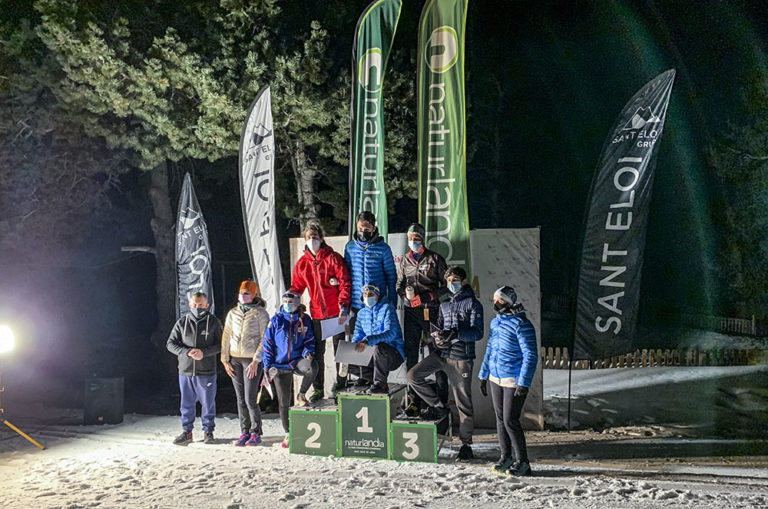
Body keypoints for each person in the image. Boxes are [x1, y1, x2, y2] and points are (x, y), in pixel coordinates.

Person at [406, 266, 483, 461]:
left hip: (461, 358)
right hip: (441, 354)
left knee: (463, 402)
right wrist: (437, 338)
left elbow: (478, 333)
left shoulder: (473, 304)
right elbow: (439, 326)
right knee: (413, 375)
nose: (451, 283)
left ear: (463, 282)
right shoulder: (444, 304)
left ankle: (466, 445)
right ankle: (439, 406)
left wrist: (456, 334)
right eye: (448, 280)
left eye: (455, 280)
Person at [478, 286, 537, 477]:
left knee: (510, 420)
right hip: (496, 377)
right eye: (494, 300)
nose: (496, 304)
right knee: (500, 419)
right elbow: (490, 348)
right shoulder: (495, 322)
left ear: (510, 302)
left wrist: (524, 382)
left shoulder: (522, 324)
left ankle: (523, 462)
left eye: (500, 300)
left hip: (513, 379)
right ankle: (506, 457)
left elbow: (530, 355)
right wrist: (483, 374)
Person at [290, 222, 352, 401]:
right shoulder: (302, 264)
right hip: (317, 315)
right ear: (304, 240)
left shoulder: (333, 258)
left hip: (336, 314)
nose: (312, 240)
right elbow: (296, 288)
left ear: (322, 238)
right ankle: (318, 389)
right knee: (317, 353)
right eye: (309, 237)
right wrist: (291, 303)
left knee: (341, 351)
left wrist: (344, 306)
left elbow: (345, 283)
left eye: (315, 237)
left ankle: (341, 385)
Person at [396, 222, 448, 415]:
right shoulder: (404, 260)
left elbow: (447, 285)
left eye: (417, 238)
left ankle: (441, 402)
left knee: (437, 355)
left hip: (432, 312)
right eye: (410, 238)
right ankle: (414, 401)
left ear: (423, 238)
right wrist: (405, 297)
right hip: (412, 314)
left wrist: (429, 297)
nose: (413, 241)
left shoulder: (435, 258)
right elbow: (399, 285)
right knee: (411, 355)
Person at [262, 291, 318, 448]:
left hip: (296, 361)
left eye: (290, 302)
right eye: (285, 301)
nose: (287, 304)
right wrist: (267, 365)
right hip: (279, 365)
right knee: (284, 402)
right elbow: (267, 344)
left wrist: (308, 352)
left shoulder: (304, 320)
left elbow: (309, 340)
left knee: (312, 366)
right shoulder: (276, 320)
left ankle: (302, 395)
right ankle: (288, 432)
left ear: (297, 304)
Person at [166, 292, 222, 445]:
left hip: (206, 371)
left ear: (207, 305)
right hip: (185, 371)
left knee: (208, 404)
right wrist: (187, 351)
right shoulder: (182, 322)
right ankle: (187, 432)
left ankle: (208, 431)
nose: (198, 308)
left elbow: (221, 345)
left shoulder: (214, 322)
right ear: (190, 305)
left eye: (201, 305)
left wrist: (204, 353)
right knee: (186, 404)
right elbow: (170, 344)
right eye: (195, 305)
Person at [221, 280, 270, 447]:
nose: (243, 296)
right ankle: (245, 430)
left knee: (250, 398)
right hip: (235, 358)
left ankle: (256, 431)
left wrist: (256, 360)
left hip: (251, 360)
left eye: (247, 293)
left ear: (254, 295)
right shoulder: (233, 313)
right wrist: (225, 359)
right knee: (240, 398)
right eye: (241, 293)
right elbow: (226, 335)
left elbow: (265, 338)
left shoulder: (260, 313)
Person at [344, 211, 397, 327]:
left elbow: (391, 277)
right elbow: (345, 276)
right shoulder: (350, 247)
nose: (363, 232)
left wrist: (392, 302)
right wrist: (346, 303)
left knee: (377, 335)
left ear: (373, 229)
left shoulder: (383, 248)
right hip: (357, 303)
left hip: (378, 303)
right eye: (360, 228)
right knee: (357, 336)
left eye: (367, 229)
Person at [349, 284, 405, 393]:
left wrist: (368, 340)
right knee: (347, 361)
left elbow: (391, 333)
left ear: (378, 296)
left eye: (371, 294)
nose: (367, 297)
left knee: (379, 347)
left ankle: (380, 384)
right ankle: (371, 379)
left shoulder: (387, 308)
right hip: (373, 355)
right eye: (365, 294)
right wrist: (353, 349)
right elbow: (357, 335)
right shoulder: (361, 314)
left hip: (392, 354)